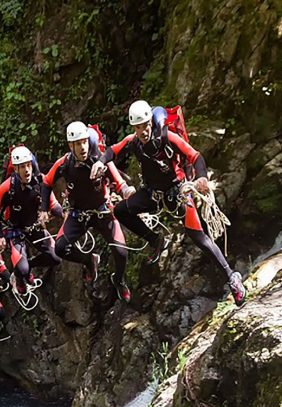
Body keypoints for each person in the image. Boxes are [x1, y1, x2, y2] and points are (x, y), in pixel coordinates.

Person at [90, 101, 247, 306]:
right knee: (121, 211)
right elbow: (112, 150)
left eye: (145, 125)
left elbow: (195, 156)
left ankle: (232, 277)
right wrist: (101, 162)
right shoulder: (133, 141)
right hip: (152, 194)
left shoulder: (166, 137)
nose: (143, 131)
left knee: (198, 237)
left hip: (178, 192)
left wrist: (201, 178)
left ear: (151, 123)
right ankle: (156, 240)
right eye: (138, 127)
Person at [43, 121, 135, 302]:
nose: (82, 147)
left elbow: (118, 179)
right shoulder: (64, 164)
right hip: (79, 215)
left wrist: (125, 190)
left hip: (102, 212)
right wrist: (44, 208)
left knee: (121, 251)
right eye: (77, 144)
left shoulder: (99, 159)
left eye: (84, 142)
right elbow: (46, 183)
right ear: (71, 146)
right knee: (60, 248)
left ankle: (118, 279)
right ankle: (89, 261)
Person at [0, 145, 63, 295]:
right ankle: (19, 276)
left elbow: (54, 205)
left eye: (29, 165)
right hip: (15, 230)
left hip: (34, 226)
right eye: (22, 167)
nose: (27, 170)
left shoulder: (41, 182)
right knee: (22, 269)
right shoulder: (7, 188)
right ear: (16, 169)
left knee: (56, 257)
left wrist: (65, 214)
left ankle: (27, 267)